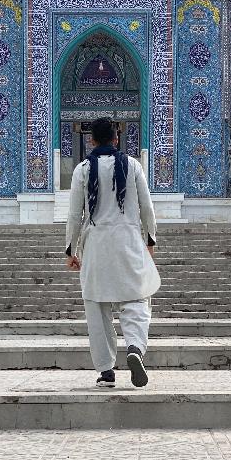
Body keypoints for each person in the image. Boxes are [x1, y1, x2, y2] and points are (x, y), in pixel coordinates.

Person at [65, 117, 160, 388]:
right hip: (128, 241)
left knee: (97, 308)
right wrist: (150, 241)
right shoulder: (132, 166)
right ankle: (134, 347)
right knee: (138, 298)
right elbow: (147, 208)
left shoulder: (82, 170)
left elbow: (74, 214)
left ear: (90, 140)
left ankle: (106, 372)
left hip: (95, 245)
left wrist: (71, 249)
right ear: (116, 139)